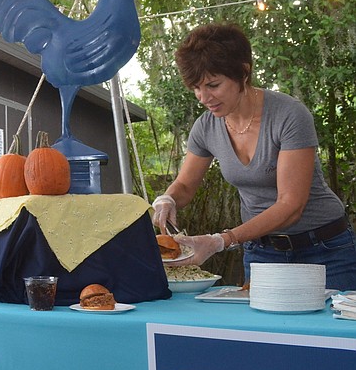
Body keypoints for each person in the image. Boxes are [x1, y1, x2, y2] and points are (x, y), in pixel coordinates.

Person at [152, 22, 356, 290]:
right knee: (263, 333)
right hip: (263, 253)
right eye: (196, 88)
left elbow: (290, 206)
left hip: (325, 249)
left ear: (243, 73)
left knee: (331, 332)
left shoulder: (289, 115)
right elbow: (186, 186)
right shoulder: (206, 126)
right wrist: (168, 199)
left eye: (213, 84)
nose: (203, 97)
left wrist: (220, 240)